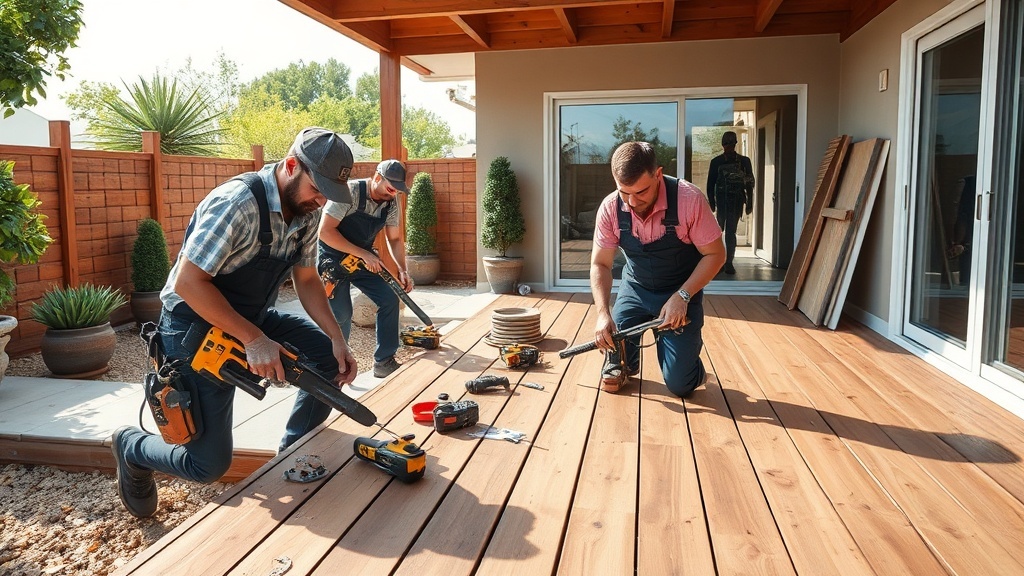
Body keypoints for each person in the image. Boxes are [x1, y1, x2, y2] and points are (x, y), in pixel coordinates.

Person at [110, 127, 359, 518]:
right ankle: (131, 448)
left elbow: (307, 279)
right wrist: (254, 340)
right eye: (317, 188)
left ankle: (290, 452)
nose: (322, 199)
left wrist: (337, 337)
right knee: (206, 466)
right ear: (291, 165)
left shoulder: (306, 212)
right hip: (193, 326)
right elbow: (188, 283)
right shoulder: (237, 203)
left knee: (325, 359)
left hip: (250, 318)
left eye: (329, 191)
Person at [590, 141, 726, 397]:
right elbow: (601, 263)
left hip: (681, 289)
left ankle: (690, 363)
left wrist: (683, 296)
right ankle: (624, 363)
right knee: (616, 352)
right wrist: (602, 312)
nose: (631, 201)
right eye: (623, 192)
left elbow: (716, 254)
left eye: (640, 192)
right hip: (636, 288)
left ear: (658, 175)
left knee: (680, 385)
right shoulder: (610, 207)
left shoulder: (689, 199)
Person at [317, 159, 413, 378]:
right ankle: (335, 368)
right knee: (341, 314)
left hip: (362, 259)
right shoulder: (348, 192)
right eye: (390, 188)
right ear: (377, 178)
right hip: (332, 259)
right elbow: (325, 232)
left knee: (389, 298)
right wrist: (364, 254)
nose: (393, 194)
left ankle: (384, 360)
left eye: (397, 190)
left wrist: (403, 270)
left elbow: (395, 239)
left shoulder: (391, 201)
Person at [706, 130, 755, 275]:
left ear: (736, 143)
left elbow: (749, 183)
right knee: (717, 231)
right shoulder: (716, 162)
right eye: (726, 143)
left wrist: (750, 202)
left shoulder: (744, 161)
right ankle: (719, 261)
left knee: (731, 232)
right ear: (722, 144)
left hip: (736, 201)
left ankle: (729, 262)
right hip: (721, 201)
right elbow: (710, 184)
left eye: (731, 142)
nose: (728, 145)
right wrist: (712, 203)